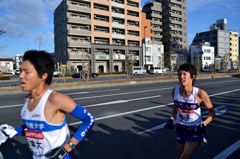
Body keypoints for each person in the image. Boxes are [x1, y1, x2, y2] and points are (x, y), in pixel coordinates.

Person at [0, 50, 95, 159]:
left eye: (26, 71)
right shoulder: (26, 100)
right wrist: (11, 131)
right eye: (20, 71)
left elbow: (89, 120)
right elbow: (33, 129)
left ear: (43, 75)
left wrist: (65, 149)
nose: (20, 76)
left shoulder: (55, 99)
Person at [165, 63, 215, 159]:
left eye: (184, 74)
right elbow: (176, 107)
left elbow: (212, 113)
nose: (181, 77)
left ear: (193, 77)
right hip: (180, 128)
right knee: (180, 155)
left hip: (194, 129)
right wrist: (171, 119)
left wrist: (204, 124)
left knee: (184, 157)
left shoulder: (200, 94)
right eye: (179, 74)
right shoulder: (174, 91)